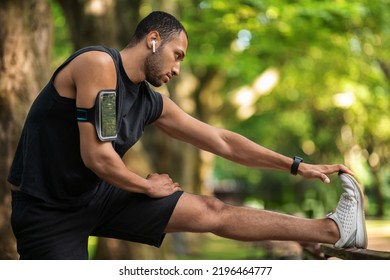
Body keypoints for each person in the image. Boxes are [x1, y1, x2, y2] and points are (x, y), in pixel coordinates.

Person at [8, 11, 367, 260]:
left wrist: (295, 165)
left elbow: (221, 140)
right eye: (176, 55)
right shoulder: (98, 64)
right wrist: (147, 186)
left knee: (212, 210)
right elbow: (96, 155)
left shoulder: (151, 102)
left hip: (97, 195)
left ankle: (332, 230)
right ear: (152, 41)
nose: (178, 69)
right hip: (47, 211)